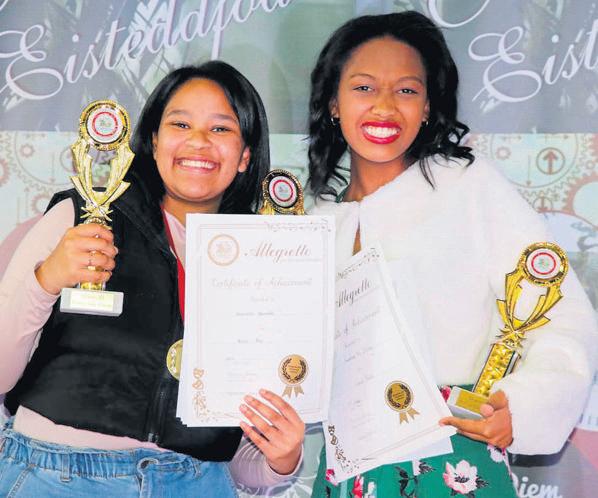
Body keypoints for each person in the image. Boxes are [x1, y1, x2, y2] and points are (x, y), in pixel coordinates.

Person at [307, 11, 596, 498]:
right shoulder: (313, 222)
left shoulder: (469, 187)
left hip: (455, 459)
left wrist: (520, 405)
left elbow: (561, 312)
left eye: (406, 90)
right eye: (363, 87)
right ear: (334, 102)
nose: (384, 106)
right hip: (346, 467)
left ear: (427, 107)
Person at [0, 61, 304, 497]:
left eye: (221, 129)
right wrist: (47, 278)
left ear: (245, 157)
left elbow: (236, 461)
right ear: (155, 140)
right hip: (56, 477)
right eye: (181, 123)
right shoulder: (80, 217)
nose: (198, 141)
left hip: (196, 484)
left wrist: (282, 459)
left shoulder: (264, 260)